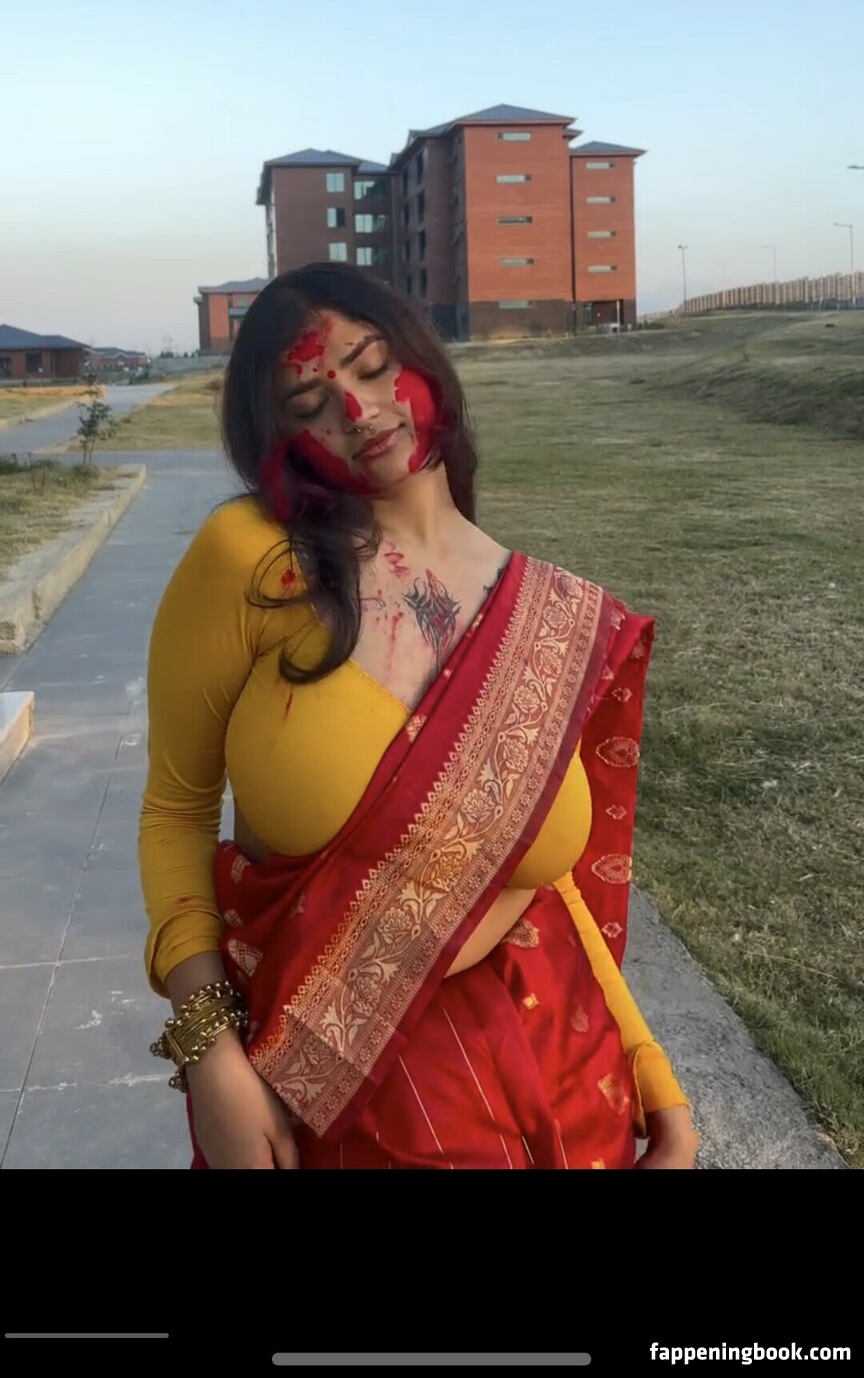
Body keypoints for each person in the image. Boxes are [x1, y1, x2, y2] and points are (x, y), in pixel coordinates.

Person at [139, 262, 698, 1170]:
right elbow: (174, 811)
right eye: (312, 403)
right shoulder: (253, 560)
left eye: (372, 366)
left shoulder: (541, 607)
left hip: (567, 1085)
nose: (359, 412)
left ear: (422, 356)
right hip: (338, 1103)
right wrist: (209, 1055)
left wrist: (650, 1068)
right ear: (281, 439)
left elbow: (543, 883)